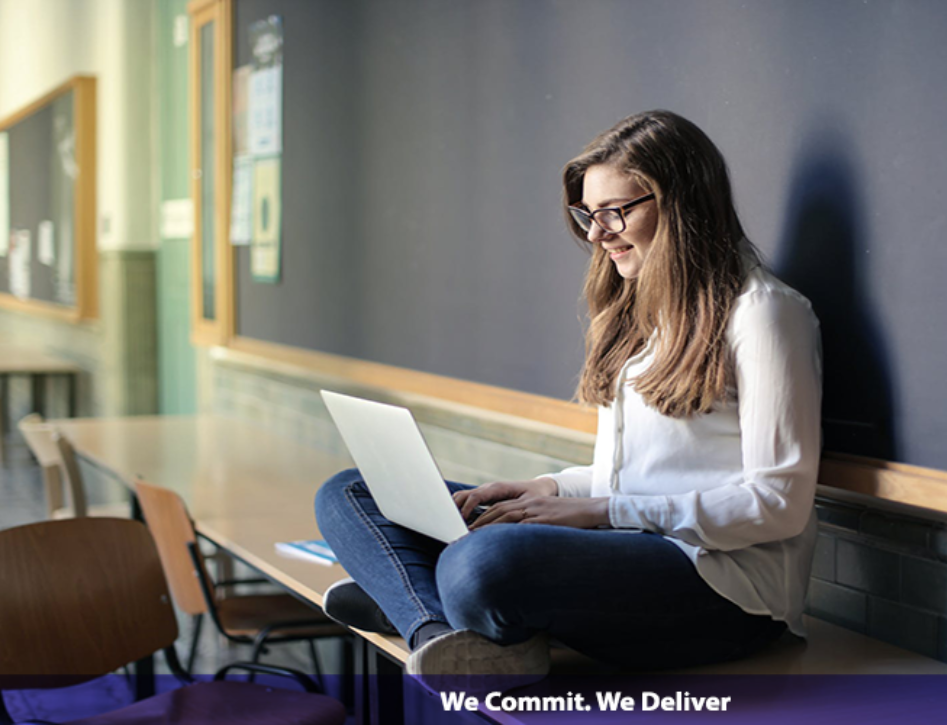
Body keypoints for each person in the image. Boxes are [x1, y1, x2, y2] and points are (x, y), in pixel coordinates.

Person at [314, 110, 823, 681]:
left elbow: (779, 503)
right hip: (623, 541)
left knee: (482, 562)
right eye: (587, 214)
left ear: (680, 202)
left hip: (722, 590)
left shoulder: (765, 314)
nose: (595, 234)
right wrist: (548, 488)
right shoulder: (638, 313)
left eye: (615, 212)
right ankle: (442, 632)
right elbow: (638, 474)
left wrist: (599, 511)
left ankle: (417, 602)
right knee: (352, 492)